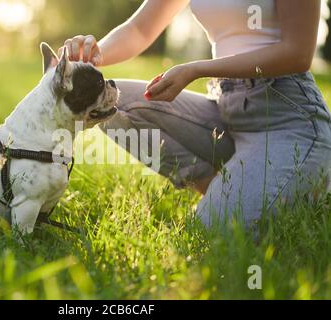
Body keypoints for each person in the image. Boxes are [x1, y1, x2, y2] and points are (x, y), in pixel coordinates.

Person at [61, 0, 331, 227]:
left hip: (287, 121)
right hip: (227, 109)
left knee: (212, 232)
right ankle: (219, 187)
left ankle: (309, 183)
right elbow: (139, 29)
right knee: (112, 107)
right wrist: (89, 56)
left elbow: (297, 53)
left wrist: (197, 69)